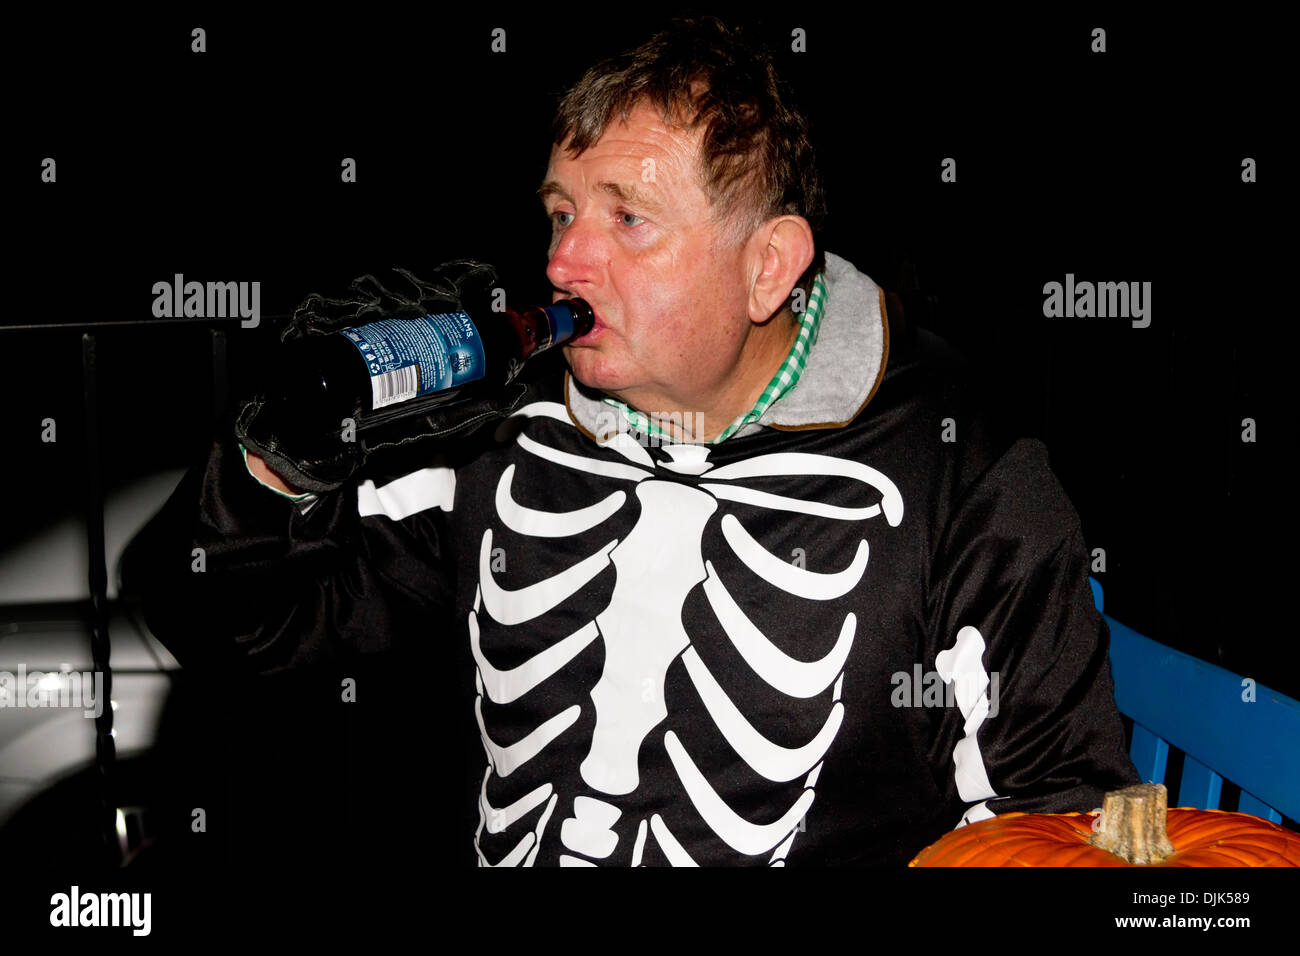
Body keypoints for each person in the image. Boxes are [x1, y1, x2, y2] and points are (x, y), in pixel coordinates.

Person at [131, 15, 1137, 867]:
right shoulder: (504, 433)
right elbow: (229, 627)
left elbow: (1064, 815)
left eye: (628, 219)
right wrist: (272, 460)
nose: (565, 257)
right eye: (562, 212)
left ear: (766, 267)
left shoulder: (962, 474)